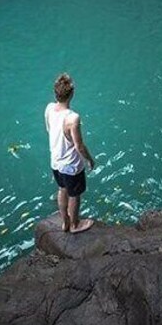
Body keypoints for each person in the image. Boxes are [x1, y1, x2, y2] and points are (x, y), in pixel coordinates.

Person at [45, 73, 96, 233]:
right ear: (72, 94)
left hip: (55, 161)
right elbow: (79, 146)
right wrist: (90, 160)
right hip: (71, 165)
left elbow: (49, 129)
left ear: (56, 93)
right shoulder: (72, 118)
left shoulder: (49, 109)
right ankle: (74, 225)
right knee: (74, 195)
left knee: (62, 189)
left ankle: (64, 222)